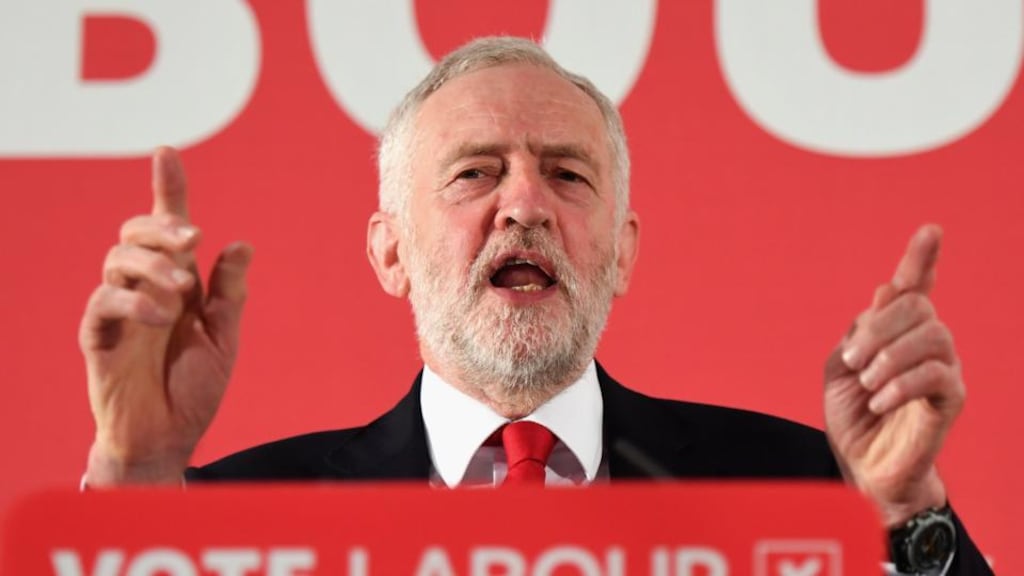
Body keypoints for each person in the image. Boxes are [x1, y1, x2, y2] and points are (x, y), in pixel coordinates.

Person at [79, 37, 990, 574]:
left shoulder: (802, 491)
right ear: (389, 251)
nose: (524, 204)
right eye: (475, 172)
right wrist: (135, 467)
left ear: (623, 250)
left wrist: (906, 508)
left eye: (566, 173)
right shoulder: (237, 525)